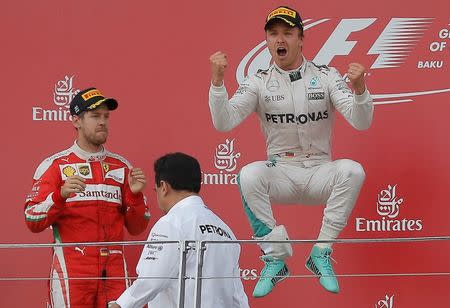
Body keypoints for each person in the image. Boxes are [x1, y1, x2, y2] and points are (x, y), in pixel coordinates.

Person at [208, 5, 374, 298]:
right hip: (281, 171)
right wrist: (218, 84)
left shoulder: (326, 76)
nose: (280, 39)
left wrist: (360, 90)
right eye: (273, 34)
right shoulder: (259, 80)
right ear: (267, 41)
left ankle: (321, 252)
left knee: (352, 170)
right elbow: (224, 122)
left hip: (320, 171)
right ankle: (275, 258)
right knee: (248, 175)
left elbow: (361, 122)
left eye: (288, 33)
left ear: (301, 38)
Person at [24, 87, 151, 307]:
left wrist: (135, 196)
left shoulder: (122, 167)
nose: (102, 122)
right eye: (95, 116)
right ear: (76, 121)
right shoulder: (55, 166)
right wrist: (60, 196)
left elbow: (137, 228)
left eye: (106, 116)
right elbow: (32, 219)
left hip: (114, 275)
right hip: (72, 274)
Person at [109, 152, 249, 308]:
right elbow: (237, 295)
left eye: (156, 191)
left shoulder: (171, 223)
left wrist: (120, 305)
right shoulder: (226, 230)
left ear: (164, 187)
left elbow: (152, 279)